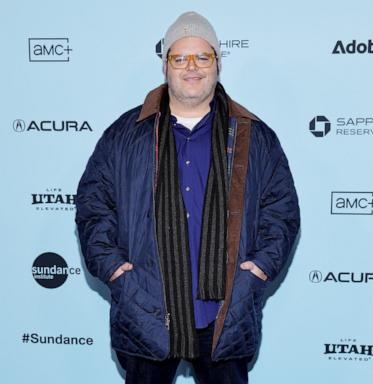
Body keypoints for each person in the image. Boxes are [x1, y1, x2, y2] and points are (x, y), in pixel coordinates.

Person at [75, 11, 300, 384]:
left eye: (202, 56)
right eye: (180, 57)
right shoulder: (125, 134)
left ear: (218, 63)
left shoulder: (254, 137)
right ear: (165, 66)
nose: (191, 67)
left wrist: (259, 267)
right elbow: (93, 206)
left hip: (225, 314)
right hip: (146, 309)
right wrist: (115, 269)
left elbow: (282, 210)